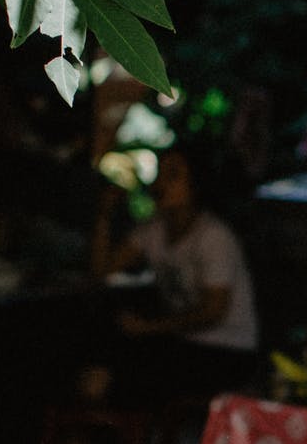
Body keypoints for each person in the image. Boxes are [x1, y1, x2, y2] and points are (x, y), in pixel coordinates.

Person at [86, 146, 260, 404]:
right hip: (182, 343)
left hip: (226, 350)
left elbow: (214, 311)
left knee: (125, 371)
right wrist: (104, 215)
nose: (160, 183)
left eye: (173, 175)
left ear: (196, 184)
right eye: (160, 173)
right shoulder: (154, 229)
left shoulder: (213, 237)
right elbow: (102, 270)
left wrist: (149, 328)